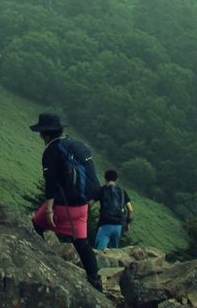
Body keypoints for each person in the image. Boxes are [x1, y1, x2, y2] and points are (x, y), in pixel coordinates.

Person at [28, 114, 101, 290]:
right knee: (82, 244)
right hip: (82, 206)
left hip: (63, 207)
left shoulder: (52, 151)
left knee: (34, 226)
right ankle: (95, 282)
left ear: (45, 134)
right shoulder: (76, 144)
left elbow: (51, 183)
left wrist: (50, 210)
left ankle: (40, 258)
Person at [93, 169, 134, 250]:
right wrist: (127, 223)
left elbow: (89, 204)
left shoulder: (101, 190)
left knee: (99, 252)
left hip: (105, 225)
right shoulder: (122, 191)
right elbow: (130, 209)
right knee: (114, 252)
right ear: (116, 180)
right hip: (118, 226)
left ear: (105, 178)